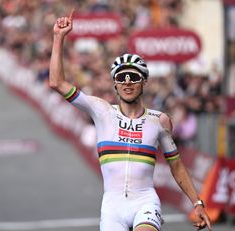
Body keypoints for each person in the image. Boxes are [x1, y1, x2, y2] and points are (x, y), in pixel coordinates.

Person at [49, 10, 212, 231]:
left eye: (134, 77)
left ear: (143, 82)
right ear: (115, 84)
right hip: (112, 208)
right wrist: (59, 37)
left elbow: (177, 165)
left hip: (145, 203)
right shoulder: (101, 111)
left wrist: (197, 202)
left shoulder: (159, 121)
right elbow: (57, 83)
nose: (127, 83)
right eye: (121, 78)